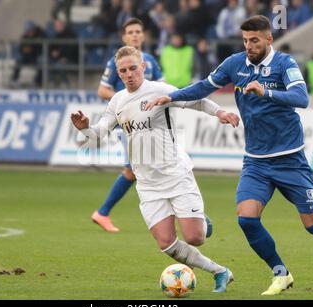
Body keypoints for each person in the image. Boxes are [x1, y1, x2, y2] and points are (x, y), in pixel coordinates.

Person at [145, 15, 313, 295]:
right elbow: (205, 86)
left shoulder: (285, 64)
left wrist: (266, 91)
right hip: (256, 161)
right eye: (245, 40)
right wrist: (173, 97)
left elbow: (302, 98)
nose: (248, 45)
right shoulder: (234, 63)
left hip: (291, 159)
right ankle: (281, 273)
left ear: (269, 39)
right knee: (246, 218)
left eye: (254, 40)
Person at [71, 45, 240, 292]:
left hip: (175, 173)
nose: (129, 74)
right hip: (148, 184)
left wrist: (220, 112)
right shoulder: (118, 101)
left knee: (195, 238)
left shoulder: (159, 90)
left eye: (132, 68)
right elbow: (98, 134)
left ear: (142, 67)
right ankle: (220, 272)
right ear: (118, 74)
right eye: (123, 71)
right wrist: (84, 128)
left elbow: (197, 101)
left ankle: (202, 220)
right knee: (166, 243)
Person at [92, 17, 164, 232]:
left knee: (141, 169)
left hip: (151, 125)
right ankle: (103, 212)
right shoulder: (117, 62)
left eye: (138, 31)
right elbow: (102, 90)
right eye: (130, 32)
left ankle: (103, 213)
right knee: (134, 169)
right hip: (127, 125)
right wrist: (127, 104)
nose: (134, 35)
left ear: (143, 35)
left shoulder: (150, 61)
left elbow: (161, 88)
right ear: (124, 37)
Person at [11, 21, 47, 88]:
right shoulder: (25, 36)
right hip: (27, 56)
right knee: (18, 61)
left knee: (42, 61)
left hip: (37, 56)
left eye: (30, 31)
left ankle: (38, 82)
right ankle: (14, 80)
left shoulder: (41, 35)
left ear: (33, 29)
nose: (29, 33)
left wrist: (32, 48)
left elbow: (42, 47)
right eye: (27, 31)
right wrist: (24, 50)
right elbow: (21, 48)